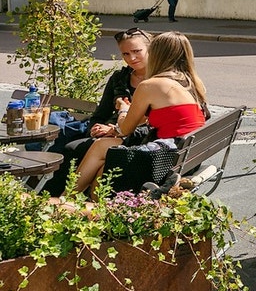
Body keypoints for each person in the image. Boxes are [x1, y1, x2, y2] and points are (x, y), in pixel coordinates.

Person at [68, 31, 209, 195]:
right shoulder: (189, 82)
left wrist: (123, 109)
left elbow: (125, 130)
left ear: (154, 54)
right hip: (183, 156)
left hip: (162, 159)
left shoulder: (150, 85)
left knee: (100, 148)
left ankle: (67, 201)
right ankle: (78, 201)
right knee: (102, 163)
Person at [41, 28, 155, 194]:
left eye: (137, 51)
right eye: (125, 54)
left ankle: (58, 199)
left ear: (150, 49)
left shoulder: (158, 82)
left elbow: (153, 123)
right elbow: (100, 114)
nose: (131, 58)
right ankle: (58, 199)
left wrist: (114, 130)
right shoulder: (119, 78)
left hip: (137, 139)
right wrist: (94, 130)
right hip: (108, 136)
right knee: (71, 148)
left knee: (73, 149)